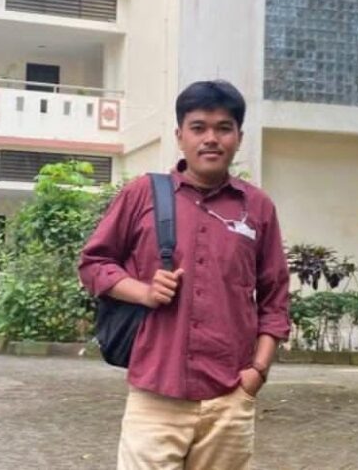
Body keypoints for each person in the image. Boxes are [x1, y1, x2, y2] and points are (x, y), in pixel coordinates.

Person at [78, 80, 290, 470]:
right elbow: (93, 263)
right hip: (155, 393)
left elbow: (275, 297)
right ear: (180, 136)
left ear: (239, 138)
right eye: (198, 127)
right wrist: (143, 291)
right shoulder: (142, 194)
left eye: (223, 128)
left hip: (229, 396)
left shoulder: (258, 208)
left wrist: (257, 373)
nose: (211, 139)